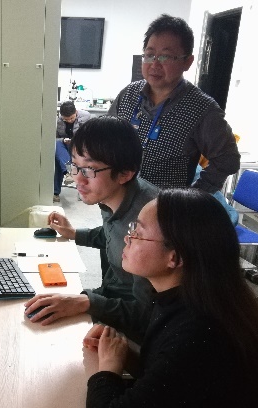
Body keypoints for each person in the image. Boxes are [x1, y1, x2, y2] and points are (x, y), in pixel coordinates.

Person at [84, 188, 258, 408]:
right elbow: (167, 375)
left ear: (174, 258)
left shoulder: (200, 335)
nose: (127, 237)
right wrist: (122, 354)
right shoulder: (193, 297)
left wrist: (109, 367)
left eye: (138, 233)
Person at [25, 116, 159, 341]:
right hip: (110, 297)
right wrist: (74, 234)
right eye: (75, 166)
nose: (78, 179)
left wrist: (87, 302)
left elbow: (148, 315)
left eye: (89, 169)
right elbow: (112, 233)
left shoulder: (147, 224)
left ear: (125, 173)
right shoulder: (117, 194)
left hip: (134, 329)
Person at [108, 14, 240, 194]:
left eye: (165, 57)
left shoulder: (202, 109)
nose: (155, 64)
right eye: (149, 55)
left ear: (187, 62)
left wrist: (193, 196)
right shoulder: (129, 94)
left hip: (164, 207)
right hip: (118, 199)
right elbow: (106, 138)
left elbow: (228, 160)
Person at [54, 101, 92, 202]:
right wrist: (63, 140)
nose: (69, 121)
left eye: (71, 118)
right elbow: (55, 138)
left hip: (81, 146)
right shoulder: (59, 121)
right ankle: (68, 172)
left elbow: (91, 136)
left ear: (76, 112)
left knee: (58, 159)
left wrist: (75, 140)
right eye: (66, 119)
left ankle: (68, 172)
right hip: (65, 147)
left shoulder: (86, 117)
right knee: (57, 145)